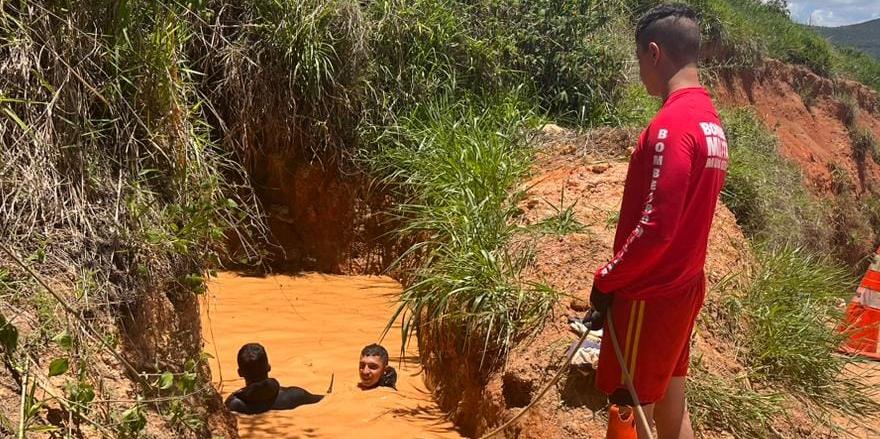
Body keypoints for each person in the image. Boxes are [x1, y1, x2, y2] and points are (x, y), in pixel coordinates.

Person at [583, 3, 728, 439]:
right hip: (681, 288)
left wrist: (607, 279)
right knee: (670, 402)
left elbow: (655, 226)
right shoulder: (710, 123)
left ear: (653, 52)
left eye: (639, 61)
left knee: (628, 408)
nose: (641, 73)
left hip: (649, 293)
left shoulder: (672, 124)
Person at [225, 343, 324, 415]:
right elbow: (325, 400)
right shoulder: (296, 395)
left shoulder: (233, 404)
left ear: (240, 373)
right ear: (269, 367)